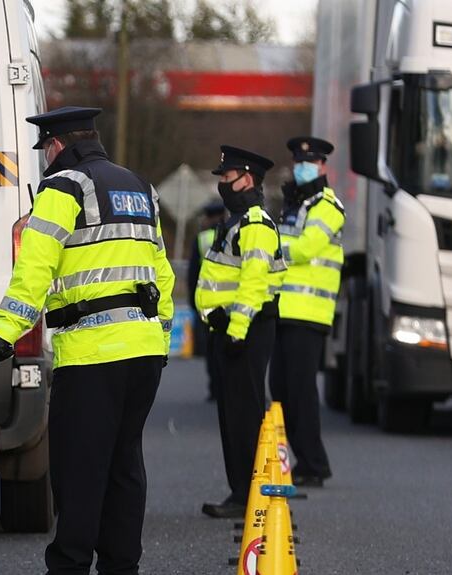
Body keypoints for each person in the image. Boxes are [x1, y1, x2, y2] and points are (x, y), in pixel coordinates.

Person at [0, 106, 175, 575]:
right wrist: (162, 337)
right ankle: (120, 567)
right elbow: (162, 273)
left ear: (56, 146)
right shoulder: (139, 187)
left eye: (45, 151)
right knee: (125, 468)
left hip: (92, 356)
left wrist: (4, 333)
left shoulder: (63, 187)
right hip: (144, 352)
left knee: (79, 471)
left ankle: (68, 568)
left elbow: (35, 269)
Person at [195, 145, 285, 519]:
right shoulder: (235, 223)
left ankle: (247, 495)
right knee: (232, 415)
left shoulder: (256, 226)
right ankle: (240, 491)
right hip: (231, 329)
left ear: (247, 178)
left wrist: (235, 331)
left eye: (227, 177)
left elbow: (252, 284)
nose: (223, 185)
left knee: (244, 415)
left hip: (246, 332)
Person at [270, 136, 344, 488]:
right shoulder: (295, 204)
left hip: (310, 311)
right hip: (284, 308)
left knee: (300, 390)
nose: (303, 167)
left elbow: (306, 248)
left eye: (310, 162)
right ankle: (301, 459)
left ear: (323, 166)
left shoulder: (328, 206)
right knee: (282, 388)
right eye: (299, 162)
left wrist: (269, 246)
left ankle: (314, 463)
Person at [186, 200, 227, 401]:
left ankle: (215, 388)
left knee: (212, 349)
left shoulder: (202, 239)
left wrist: (194, 301)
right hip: (229, 301)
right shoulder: (233, 233)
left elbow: (193, 273)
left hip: (207, 301)